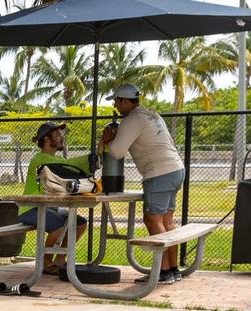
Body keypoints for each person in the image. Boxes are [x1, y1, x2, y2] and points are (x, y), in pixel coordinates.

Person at [99, 84, 187, 285]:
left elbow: (117, 152)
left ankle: (163, 272)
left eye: (116, 101)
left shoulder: (132, 119)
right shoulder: (151, 114)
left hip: (159, 172)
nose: (115, 105)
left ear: (124, 101)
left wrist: (110, 140)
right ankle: (173, 269)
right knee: (167, 222)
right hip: (175, 168)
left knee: (152, 220)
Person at [19, 121, 90, 275]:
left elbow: (70, 168)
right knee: (58, 226)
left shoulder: (54, 160)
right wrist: (93, 157)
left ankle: (59, 261)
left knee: (80, 223)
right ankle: (45, 262)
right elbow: (70, 166)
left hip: (48, 208)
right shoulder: (41, 159)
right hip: (30, 209)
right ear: (46, 139)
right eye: (57, 134)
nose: (61, 137)